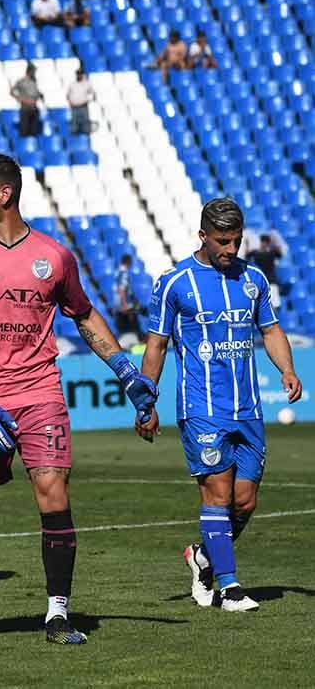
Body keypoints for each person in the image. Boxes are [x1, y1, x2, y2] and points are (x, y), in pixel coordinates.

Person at [0, 154, 157, 645]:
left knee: (54, 495)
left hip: (40, 393)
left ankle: (57, 613)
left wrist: (125, 370)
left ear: (4, 194)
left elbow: (84, 315)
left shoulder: (54, 256)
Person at [138, 198, 301, 613]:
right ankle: (229, 588)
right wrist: (146, 401)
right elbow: (156, 345)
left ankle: (203, 557)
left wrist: (287, 369)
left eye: (236, 241)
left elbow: (271, 329)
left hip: (248, 407)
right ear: (203, 236)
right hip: (201, 406)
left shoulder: (254, 279)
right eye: (223, 241)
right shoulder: (175, 282)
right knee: (217, 492)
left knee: (244, 502)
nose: (231, 249)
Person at [248, 233, 283, 307]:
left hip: (269, 281)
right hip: (261, 282)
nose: (263, 244)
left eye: (265, 242)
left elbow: (279, 254)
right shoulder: (258, 253)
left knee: (274, 305)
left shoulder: (267, 253)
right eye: (263, 242)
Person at [11, 63, 42, 137]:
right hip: (25, 108)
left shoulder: (34, 81)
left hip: (34, 107)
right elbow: (12, 91)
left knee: (34, 130)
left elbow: (35, 92)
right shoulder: (21, 81)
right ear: (29, 71)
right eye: (33, 71)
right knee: (24, 129)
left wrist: (39, 95)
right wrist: (21, 99)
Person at [113, 253, 139, 340]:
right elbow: (121, 289)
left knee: (122, 326)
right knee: (132, 325)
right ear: (129, 262)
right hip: (125, 303)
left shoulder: (117, 272)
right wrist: (124, 304)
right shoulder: (124, 273)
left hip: (117, 303)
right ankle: (134, 343)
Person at [67, 68, 94, 135]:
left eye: (80, 74)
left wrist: (88, 100)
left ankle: (86, 135)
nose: (79, 75)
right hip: (74, 106)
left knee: (85, 122)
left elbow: (92, 94)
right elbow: (68, 94)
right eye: (78, 74)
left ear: (82, 75)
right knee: (74, 122)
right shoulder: (72, 84)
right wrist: (70, 102)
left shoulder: (87, 84)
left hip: (83, 106)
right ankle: (74, 136)